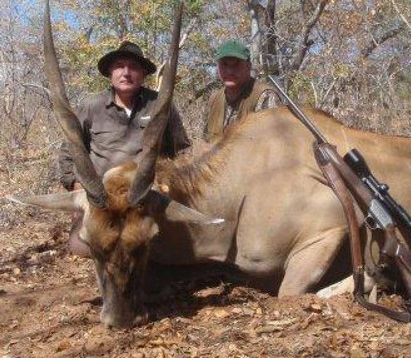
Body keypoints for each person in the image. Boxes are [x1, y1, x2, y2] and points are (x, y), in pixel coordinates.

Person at [58, 41, 191, 255]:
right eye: (119, 66)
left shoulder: (161, 104)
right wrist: (77, 190)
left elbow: (182, 150)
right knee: (81, 247)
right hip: (103, 200)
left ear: (143, 73)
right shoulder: (91, 106)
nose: (126, 72)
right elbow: (68, 153)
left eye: (134, 67)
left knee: (161, 245)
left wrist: (171, 184)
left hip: (144, 199)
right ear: (110, 72)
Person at [204, 40, 284, 141]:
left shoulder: (265, 96)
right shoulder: (214, 99)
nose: (230, 71)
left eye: (236, 65)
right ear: (218, 67)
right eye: (224, 65)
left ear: (248, 67)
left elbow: (274, 146)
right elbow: (206, 142)